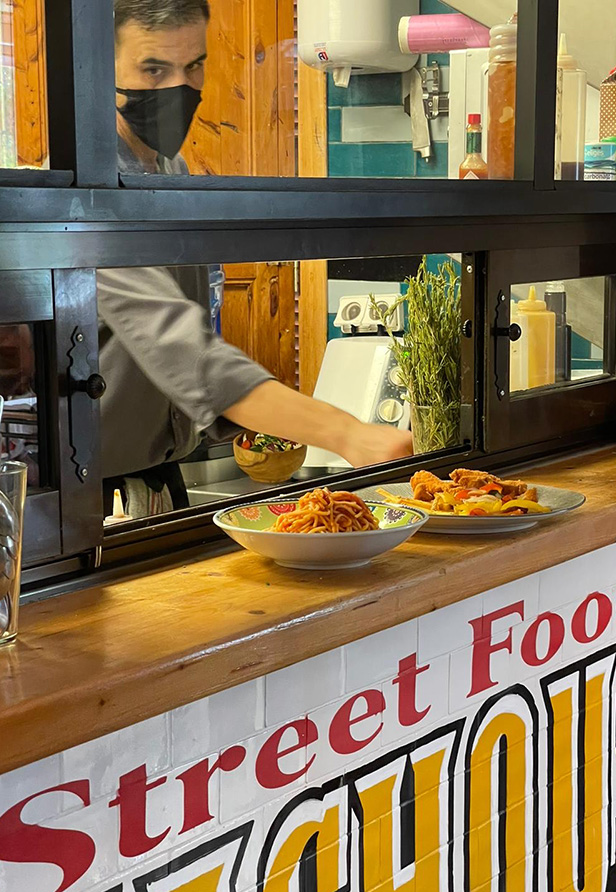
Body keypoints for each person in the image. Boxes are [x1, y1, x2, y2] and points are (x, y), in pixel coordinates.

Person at [99, 0, 412, 517]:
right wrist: (348, 434)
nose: (178, 88)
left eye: (193, 66)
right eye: (153, 69)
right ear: (99, 71)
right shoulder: (92, 193)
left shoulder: (172, 172)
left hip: (160, 482)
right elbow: (180, 345)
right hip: (91, 498)